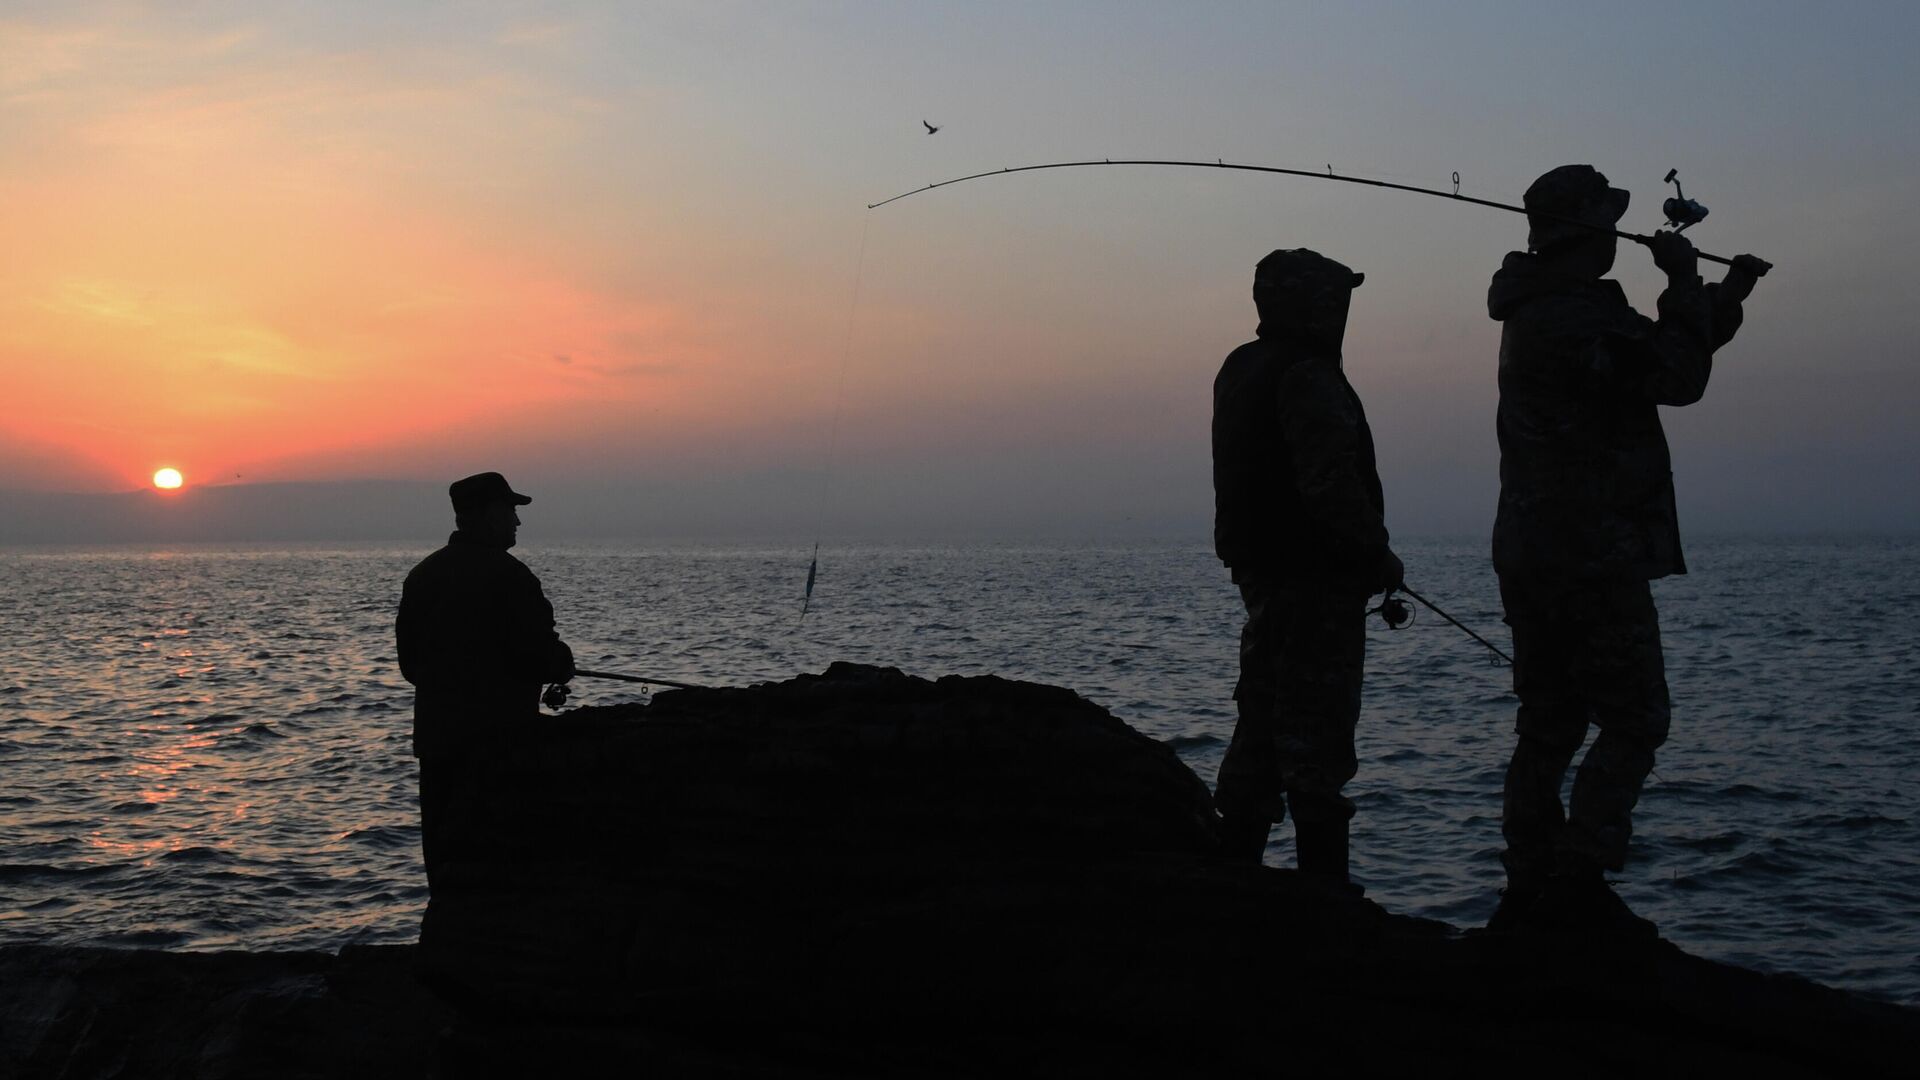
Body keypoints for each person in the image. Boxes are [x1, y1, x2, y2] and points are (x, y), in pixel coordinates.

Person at [1485, 165, 1767, 933]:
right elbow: (1674, 376)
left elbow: (1658, 356)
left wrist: (1724, 299)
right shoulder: (1566, 318)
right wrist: (1681, 282)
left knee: (1551, 720)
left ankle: (1531, 885)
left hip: (1543, 551)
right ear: (1583, 229)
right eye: (1606, 219)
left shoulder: (1557, 308)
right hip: (1587, 555)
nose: (1618, 230)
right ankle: (1573, 879)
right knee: (1635, 717)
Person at [1211, 248, 1404, 886]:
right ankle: (1326, 900)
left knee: (1261, 729)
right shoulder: (1308, 374)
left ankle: (1232, 876)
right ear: (1312, 304)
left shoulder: (1240, 367)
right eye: (1334, 298)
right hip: (1314, 586)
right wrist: (1376, 554)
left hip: (1262, 583)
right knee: (1316, 742)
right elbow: (1330, 488)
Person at [396, 471, 574, 885]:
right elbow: (542, 657)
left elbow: (410, 667)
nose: (517, 521)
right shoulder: (511, 577)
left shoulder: (422, 577)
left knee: (446, 865)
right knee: (499, 868)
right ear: (488, 515)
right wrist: (562, 663)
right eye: (510, 510)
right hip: (501, 745)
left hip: (438, 746)